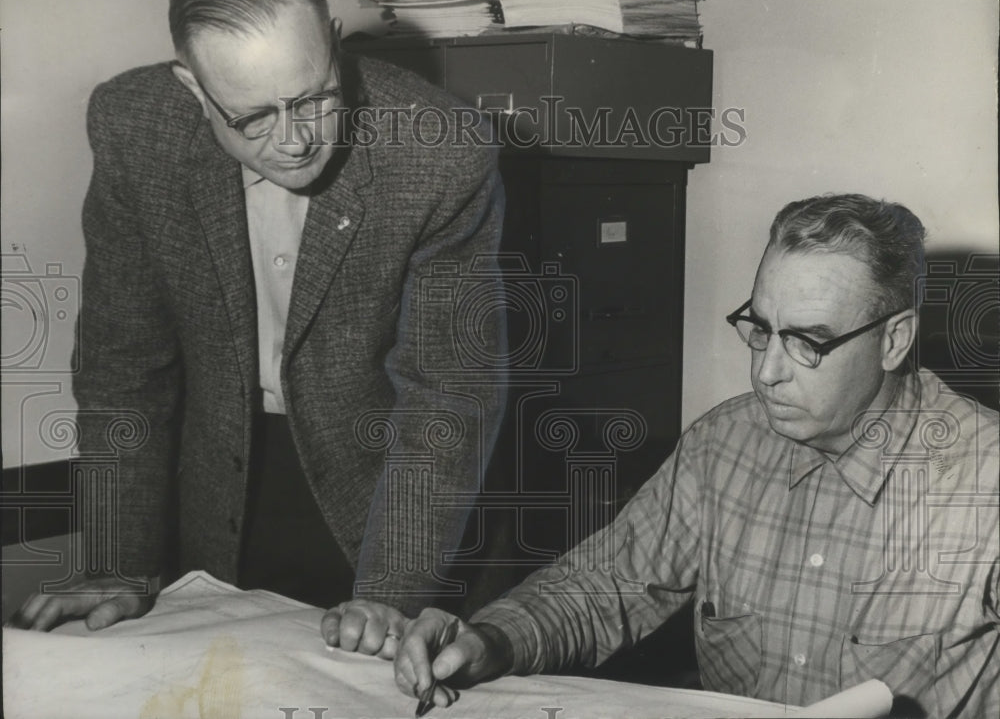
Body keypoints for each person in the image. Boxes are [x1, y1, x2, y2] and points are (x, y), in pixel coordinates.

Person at [325, 194, 999, 716]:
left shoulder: (985, 482)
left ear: (894, 340)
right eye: (759, 330)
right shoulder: (725, 445)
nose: (765, 374)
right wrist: (491, 639)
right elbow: (604, 585)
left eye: (809, 344)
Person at [13, 0, 505, 635]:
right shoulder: (136, 127)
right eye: (252, 118)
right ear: (193, 88)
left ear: (332, 42)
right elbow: (124, 372)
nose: (297, 141)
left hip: (389, 487)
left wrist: (392, 595)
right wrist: (118, 565)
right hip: (215, 480)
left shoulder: (439, 149)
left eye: (314, 98)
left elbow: (447, 395)